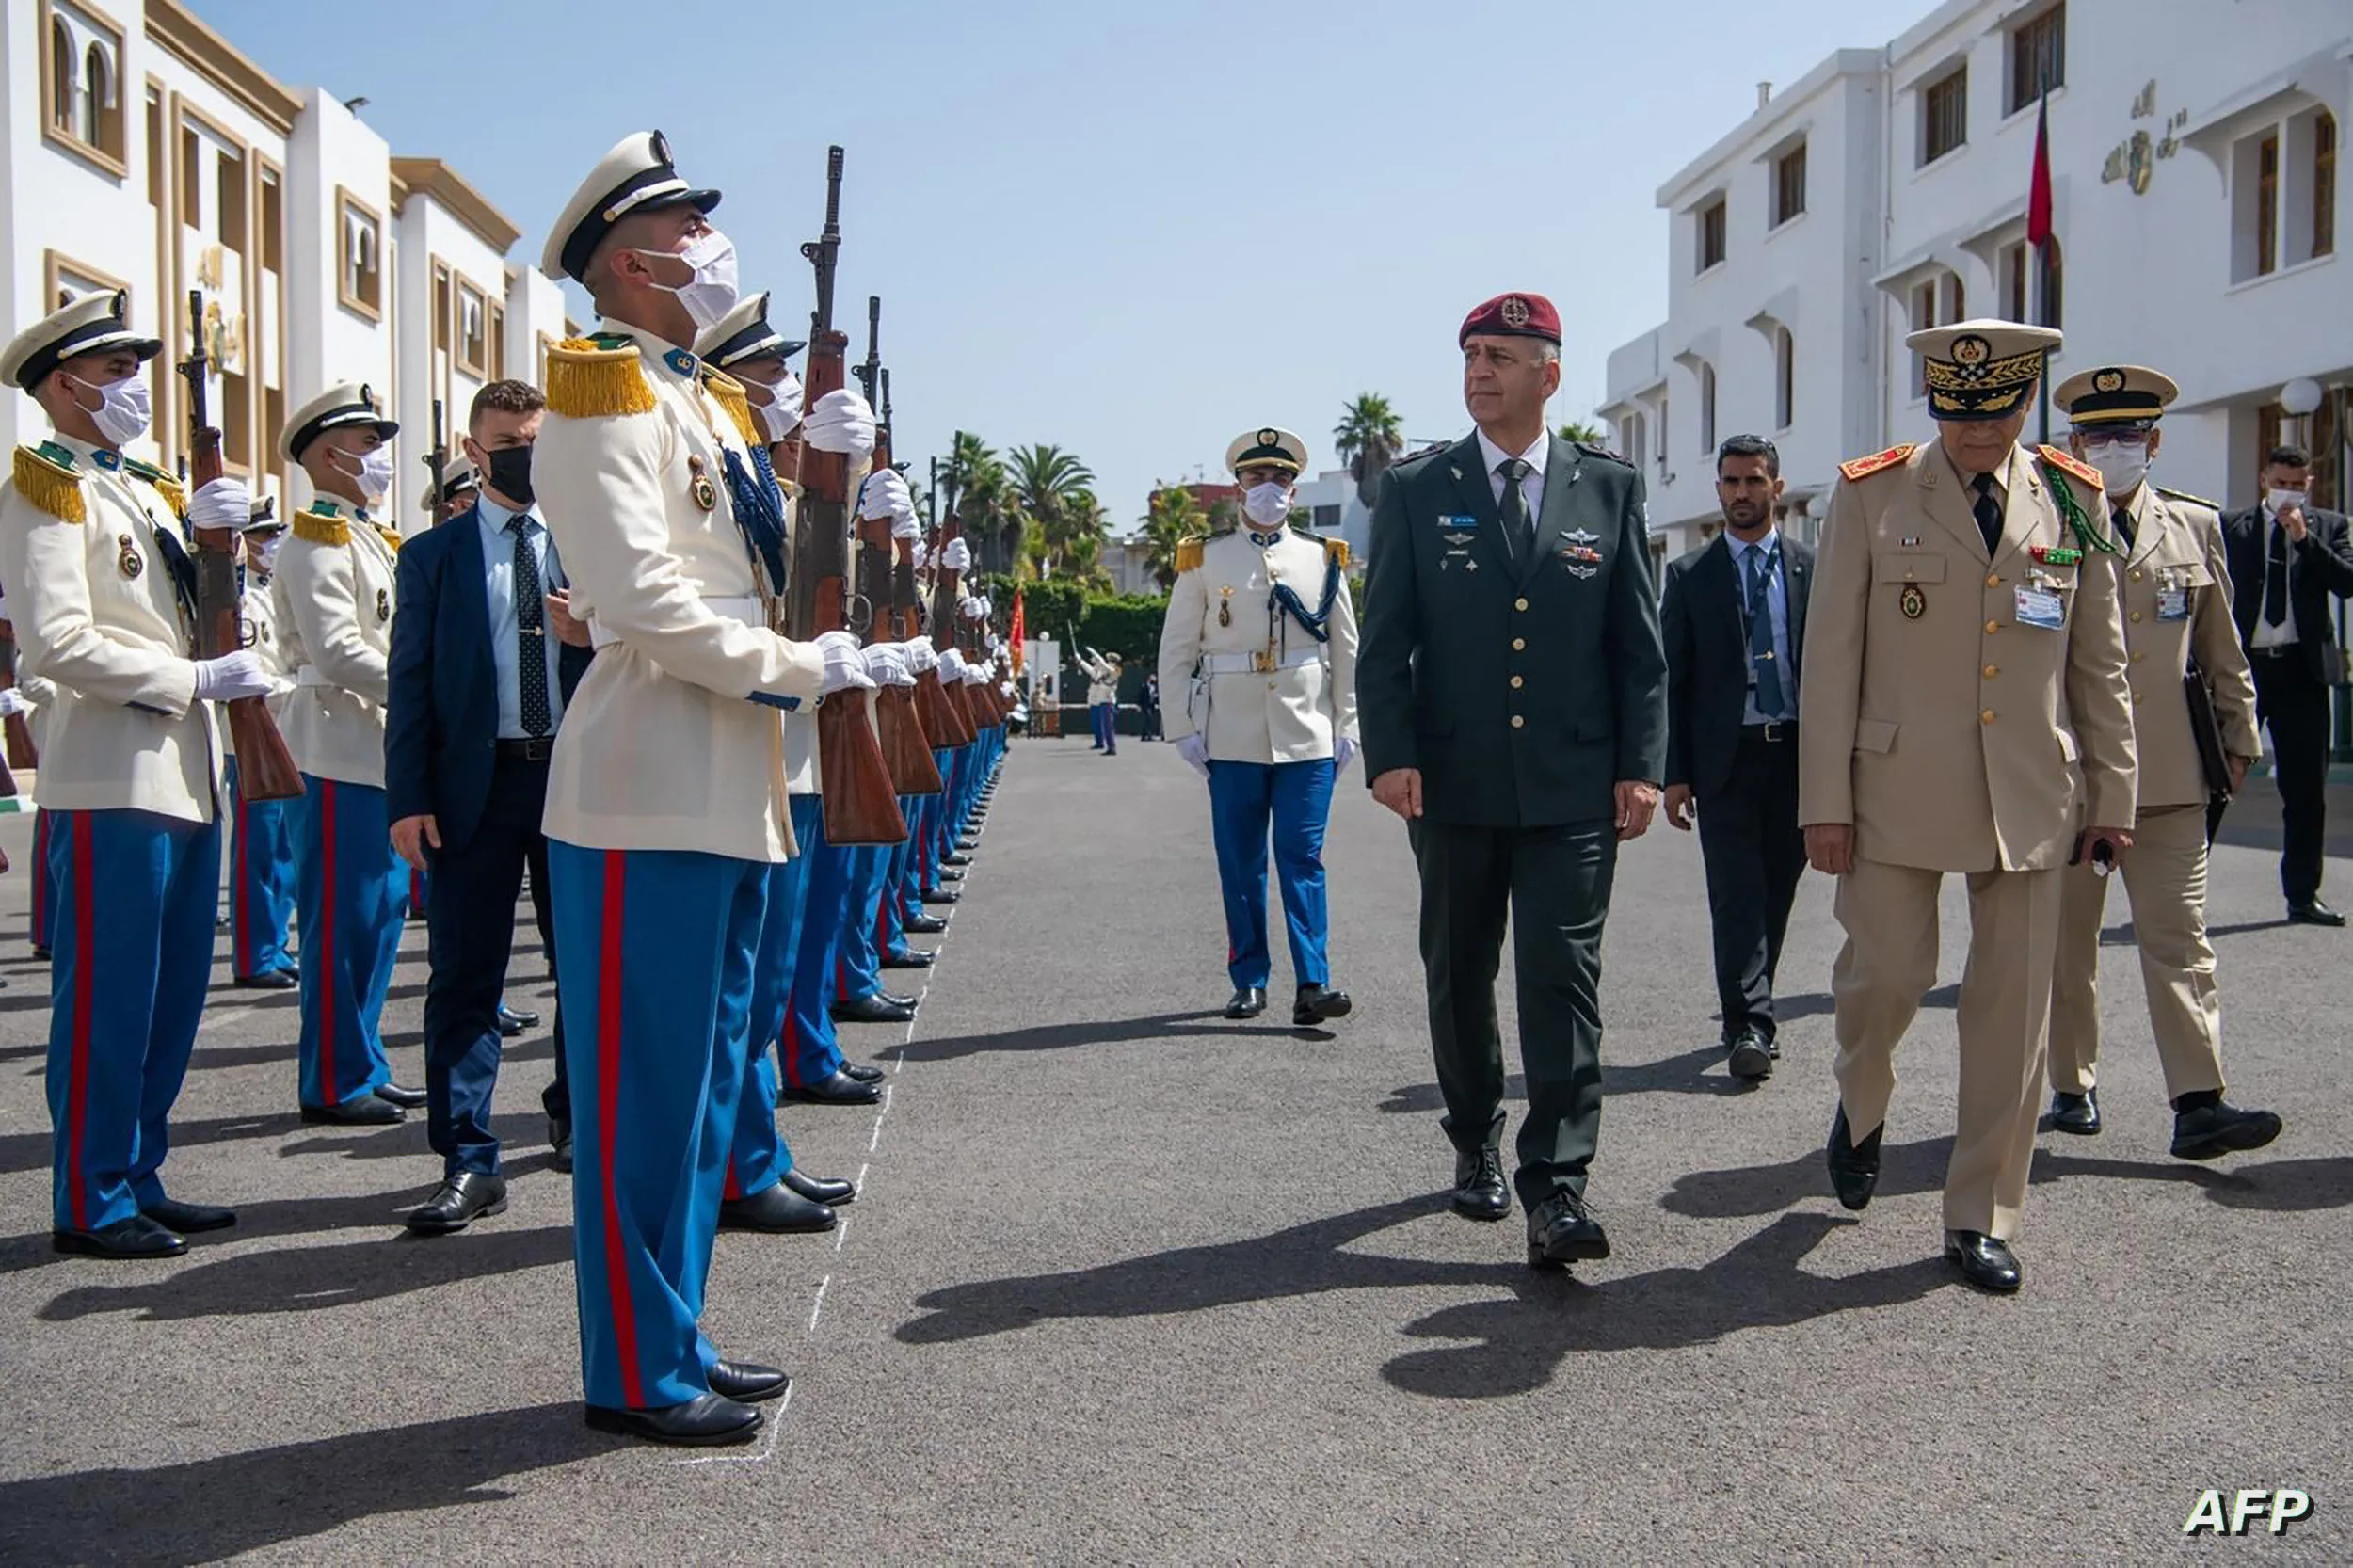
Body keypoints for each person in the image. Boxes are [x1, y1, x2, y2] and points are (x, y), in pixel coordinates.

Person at [535, 129, 875, 1445]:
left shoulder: (693, 396)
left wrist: (815, 457)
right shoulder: (598, 395)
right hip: (646, 785)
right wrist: (796, 666)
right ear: (630, 261)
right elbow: (647, 600)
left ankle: (671, 1332)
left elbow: (757, 561)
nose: (708, 246)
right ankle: (633, 1369)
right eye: (686, 229)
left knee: (690, 1091)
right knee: (642, 1097)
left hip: (725, 783)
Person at [1799, 318, 2137, 1295]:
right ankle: (1861, 1102)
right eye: (1956, 410)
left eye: (1993, 412)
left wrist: (2112, 794)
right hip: (1895, 786)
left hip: (2032, 793)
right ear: (1935, 403)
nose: (1975, 431)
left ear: (2024, 403)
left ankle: (1980, 1210)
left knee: (2011, 1014)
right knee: (1888, 975)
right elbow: (1830, 665)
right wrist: (1823, 801)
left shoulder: (2072, 501)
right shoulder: (1871, 495)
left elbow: (2099, 662)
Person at [1357, 292, 1666, 1272]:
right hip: (1450, 781)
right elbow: (1386, 639)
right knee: (1458, 973)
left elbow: (1638, 647)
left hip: (1573, 785)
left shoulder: (1606, 488)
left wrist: (1641, 767)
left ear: (1550, 373)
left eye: (1499, 355)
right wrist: (1391, 751)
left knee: (1561, 982)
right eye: (1470, 356)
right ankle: (1472, 1136)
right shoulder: (1418, 487)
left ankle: (1559, 1186)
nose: (1479, 371)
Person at [0, 288, 273, 1256]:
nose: (134, 387)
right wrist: (190, 677)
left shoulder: (143, 485)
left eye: (133, 370)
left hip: (186, 772)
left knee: (168, 996)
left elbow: (202, 611)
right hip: (109, 770)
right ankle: (90, 1196)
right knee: (108, 997)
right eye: (116, 371)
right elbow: (57, 641)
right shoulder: (44, 483)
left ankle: (137, 1167)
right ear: (60, 384)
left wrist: (219, 549)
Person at [2044, 366, 2280, 1159]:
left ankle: (2198, 1101)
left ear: (2155, 440)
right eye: (2097, 435)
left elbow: (2222, 644)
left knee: (2181, 940)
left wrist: (2239, 734)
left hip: (2171, 774)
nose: (2114, 449)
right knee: (2066, 942)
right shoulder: (2041, 523)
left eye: (2128, 435)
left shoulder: (2193, 527)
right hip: (2072, 777)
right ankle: (2073, 1083)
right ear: (2073, 442)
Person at [386, 379, 594, 1233]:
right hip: (476, 787)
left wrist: (586, 632)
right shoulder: (433, 557)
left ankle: (575, 1114)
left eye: (535, 437)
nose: (521, 452)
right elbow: (411, 685)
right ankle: (469, 1157)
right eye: (505, 439)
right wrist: (408, 798)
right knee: (466, 976)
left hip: (577, 780)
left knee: (580, 964)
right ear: (474, 451)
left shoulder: (586, 545)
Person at [1158, 424, 1359, 1027]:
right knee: (1241, 862)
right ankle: (1248, 979)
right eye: (1255, 478)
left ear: (1294, 490)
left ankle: (1314, 982)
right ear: (1238, 489)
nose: (1267, 487)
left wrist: (1348, 723)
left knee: (1303, 857)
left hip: (1307, 732)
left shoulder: (1323, 557)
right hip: (1232, 732)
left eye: (1279, 478)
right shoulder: (1204, 559)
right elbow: (1176, 649)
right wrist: (1181, 727)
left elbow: (1346, 649)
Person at [275, 381, 420, 1127]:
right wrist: (419, 690)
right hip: (336, 745)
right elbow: (337, 651)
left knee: (381, 915)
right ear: (325, 455)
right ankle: (332, 1078)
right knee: (343, 919)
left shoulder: (367, 536)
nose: (380, 458)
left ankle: (362, 1060)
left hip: (374, 746)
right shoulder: (316, 539)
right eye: (367, 445)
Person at [1661, 435, 1814, 1082]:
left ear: (1776, 487)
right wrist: (1674, 773)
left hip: (1798, 758)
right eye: (1730, 482)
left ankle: (1750, 1010)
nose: (1742, 494)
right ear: (1718, 489)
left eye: (1754, 481)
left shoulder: (1814, 568)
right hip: (1724, 760)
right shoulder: (1690, 576)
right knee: (1735, 896)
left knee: (1776, 892)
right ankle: (1749, 1023)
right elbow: (1675, 680)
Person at [2221, 443, 2353, 925]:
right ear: (2264, 479)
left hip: (2302, 670)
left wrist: (2305, 542)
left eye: (2298, 486)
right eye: (2281, 484)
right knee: (2216, 779)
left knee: (2305, 790)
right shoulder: (2231, 527)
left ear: (2309, 485)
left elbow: (2347, 582)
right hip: (2244, 669)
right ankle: (2183, 891)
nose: (2289, 494)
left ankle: (2303, 895)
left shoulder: (2330, 527)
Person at [227, 501, 298, 989]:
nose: (270, 544)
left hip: (287, 729)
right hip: (254, 735)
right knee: (258, 848)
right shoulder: (239, 599)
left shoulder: (269, 593)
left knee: (282, 849)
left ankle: (275, 942)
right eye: (262, 536)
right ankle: (255, 953)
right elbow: (255, 669)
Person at [1138, 671, 1162, 741]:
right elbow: (1140, 696)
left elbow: (1155, 696)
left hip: (1152, 705)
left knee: (1149, 721)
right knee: (1149, 718)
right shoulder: (1144, 686)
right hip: (1146, 705)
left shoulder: (1154, 687)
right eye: (1152, 679)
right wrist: (1139, 705)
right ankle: (1149, 735)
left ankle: (1144, 735)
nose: (1154, 680)